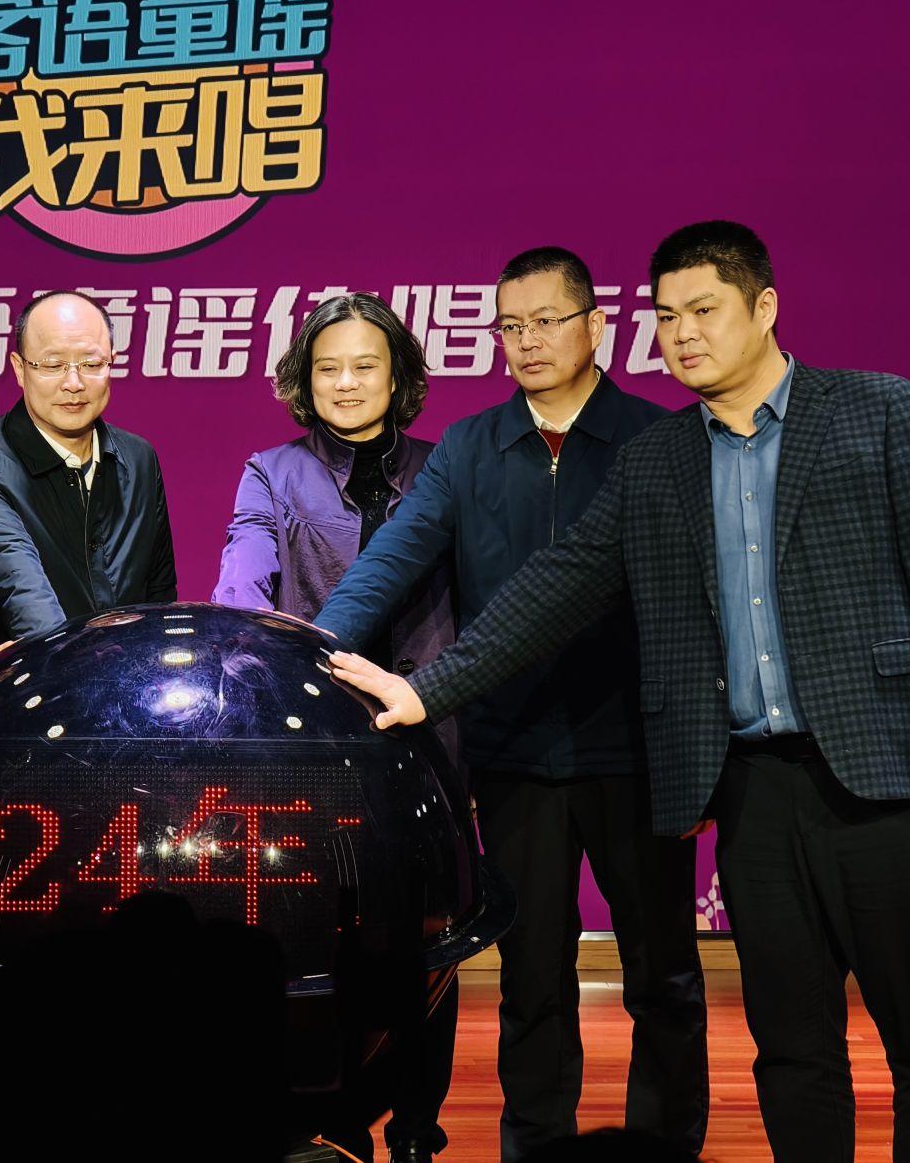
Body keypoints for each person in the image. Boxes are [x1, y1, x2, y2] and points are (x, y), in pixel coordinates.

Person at [332, 221, 910, 1163]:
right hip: (748, 787)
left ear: (763, 308)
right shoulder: (659, 458)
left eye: (703, 309)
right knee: (791, 1044)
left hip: (881, 774)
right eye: (667, 314)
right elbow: (554, 587)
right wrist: (424, 691)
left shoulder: (880, 409)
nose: (682, 333)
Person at [316, 250, 707, 1162]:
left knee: (662, 977)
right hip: (513, 754)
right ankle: (534, 1147)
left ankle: (664, 1146)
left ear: (595, 326)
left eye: (546, 321)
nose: (526, 342)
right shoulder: (469, 446)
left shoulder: (660, 440)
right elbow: (392, 559)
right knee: (532, 979)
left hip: (634, 752)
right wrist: (314, 646)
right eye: (510, 326)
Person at [213, 292, 459, 1163]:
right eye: (327, 368)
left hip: (428, 736)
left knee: (427, 942)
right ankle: (335, 1125)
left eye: (364, 366)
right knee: (317, 939)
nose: (345, 383)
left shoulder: (446, 466)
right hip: (312, 748)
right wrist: (238, 642)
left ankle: (417, 1129)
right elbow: (243, 575)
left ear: (398, 377)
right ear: (302, 379)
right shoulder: (271, 472)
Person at [0, 290, 176, 645]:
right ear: (20, 369)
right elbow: (24, 598)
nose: (74, 384)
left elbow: (159, 604)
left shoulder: (139, 458)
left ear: (112, 363)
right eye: (53, 365)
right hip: (24, 676)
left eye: (92, 364)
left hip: (125, 677)